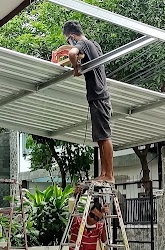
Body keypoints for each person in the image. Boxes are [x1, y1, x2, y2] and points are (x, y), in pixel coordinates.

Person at [63, 20, 115, 184]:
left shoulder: (83, 44)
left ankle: (109, 175)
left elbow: (72, 54)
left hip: (99, 96)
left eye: (68, 41)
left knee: (104, 136)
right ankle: (104, 173)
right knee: (100, 137)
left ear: (72, 36)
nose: (70, 43)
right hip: (98, 96)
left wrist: (76, 69)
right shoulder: (95, 45)